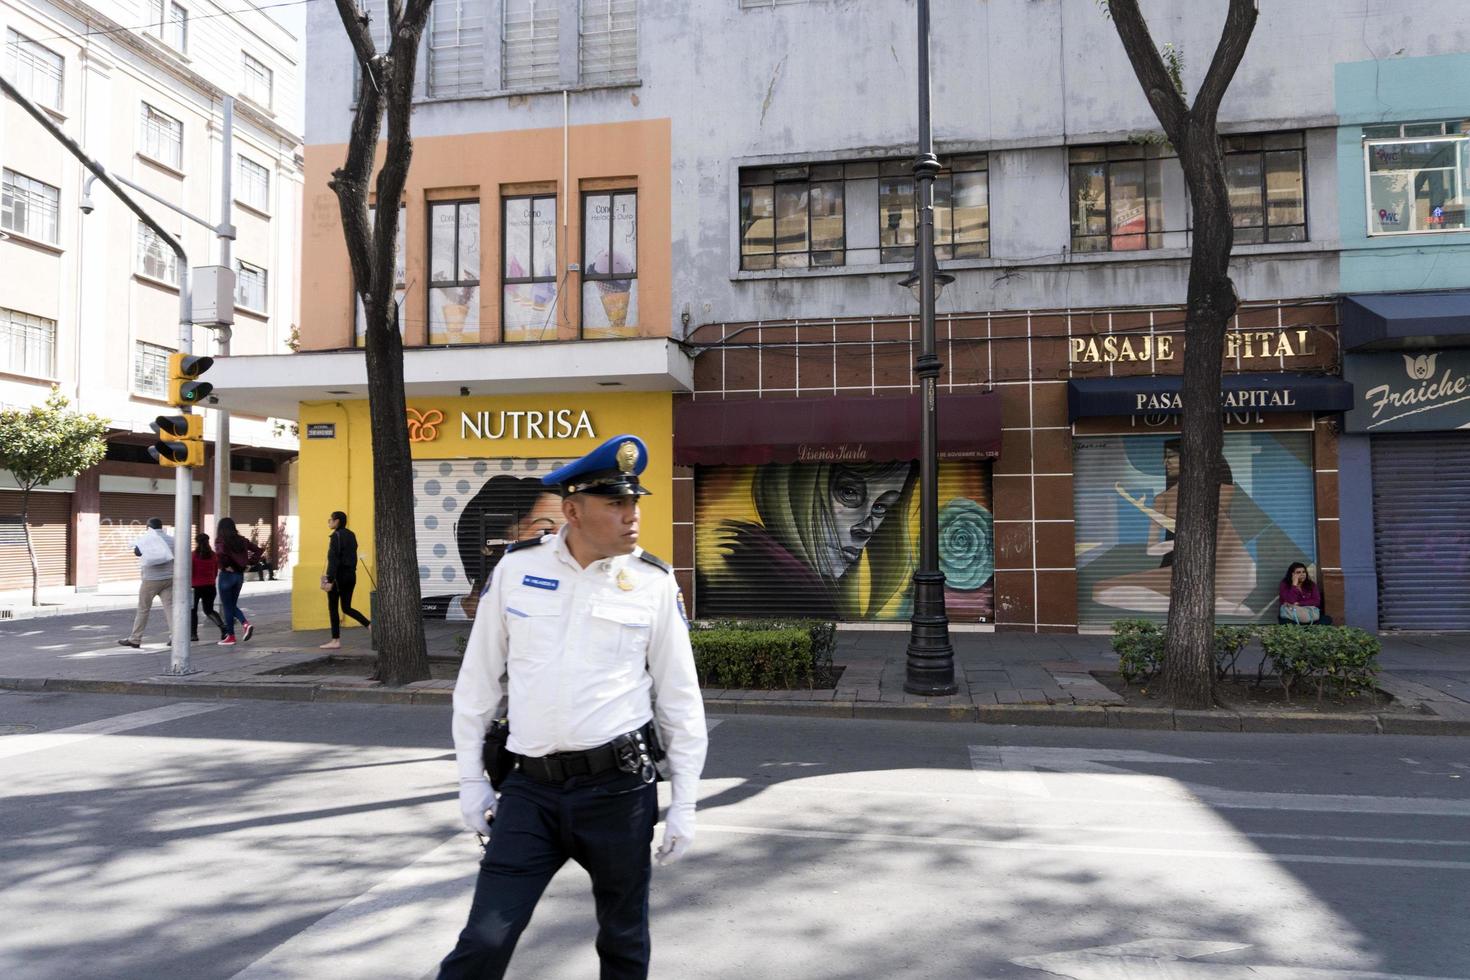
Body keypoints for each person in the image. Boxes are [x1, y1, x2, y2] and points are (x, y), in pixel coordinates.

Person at [440, 434, 707, 980]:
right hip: (530, 791)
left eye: (634, 502)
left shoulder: (653, 584)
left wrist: (686, 800)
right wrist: (471, 781)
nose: (633, 516)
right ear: (572, 510)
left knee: (623, 941)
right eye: (616, 503)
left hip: (619, 792)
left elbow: (679, 699)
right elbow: (477, 685)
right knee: (485, 940)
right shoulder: (515, 571)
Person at [700, 460, 918, 619]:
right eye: (849, 493)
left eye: (881, 506)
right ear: (798, 491)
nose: (866, 527)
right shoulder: (740, 570)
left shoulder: (818, 592)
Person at [423, 475, 566, 621]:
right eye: (545, 532)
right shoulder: (428, 612)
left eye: (566, 533)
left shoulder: (564, 619)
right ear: (486, 543)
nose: (562, 545)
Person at [118, 517, 174, 648]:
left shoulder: (146, 539)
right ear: (162, 527)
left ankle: (135, 639)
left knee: (143, 609)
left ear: (148, 527)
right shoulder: (172, 540)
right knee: (170, 609)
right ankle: (175, 637)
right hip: (169, 579)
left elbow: (137, 552)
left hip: (150, 580)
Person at [321, 511, 371, 649]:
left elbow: (334, 561)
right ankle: (370, 625)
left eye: (330, 519)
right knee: (347, 607)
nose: (329, 522)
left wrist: (330, 580)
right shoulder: (351, 535)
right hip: (351, 576)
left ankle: (335, 641)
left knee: (333, 608)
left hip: (338, 577)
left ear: (337, 521)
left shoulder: (335, 536)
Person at [215, 517, 263, 647]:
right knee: (231, 605)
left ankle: (232, 635)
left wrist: (224, 566)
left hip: (226, 576)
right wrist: (249, 563)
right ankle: (244, 626)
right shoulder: (242, 540)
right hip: (239, 577)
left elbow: (219, 555)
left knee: (228, 606)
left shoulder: (220, 540)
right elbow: (259, 550)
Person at [190, 533, 227, 642]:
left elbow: (190, 572)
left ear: (197, 542)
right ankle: (223, 628)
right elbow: (215, 572)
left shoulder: (193, 555)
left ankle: (193, 634)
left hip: (195, 587)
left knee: (193, 611)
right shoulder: (213, 555)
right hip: (210, 587)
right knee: (209, 610)